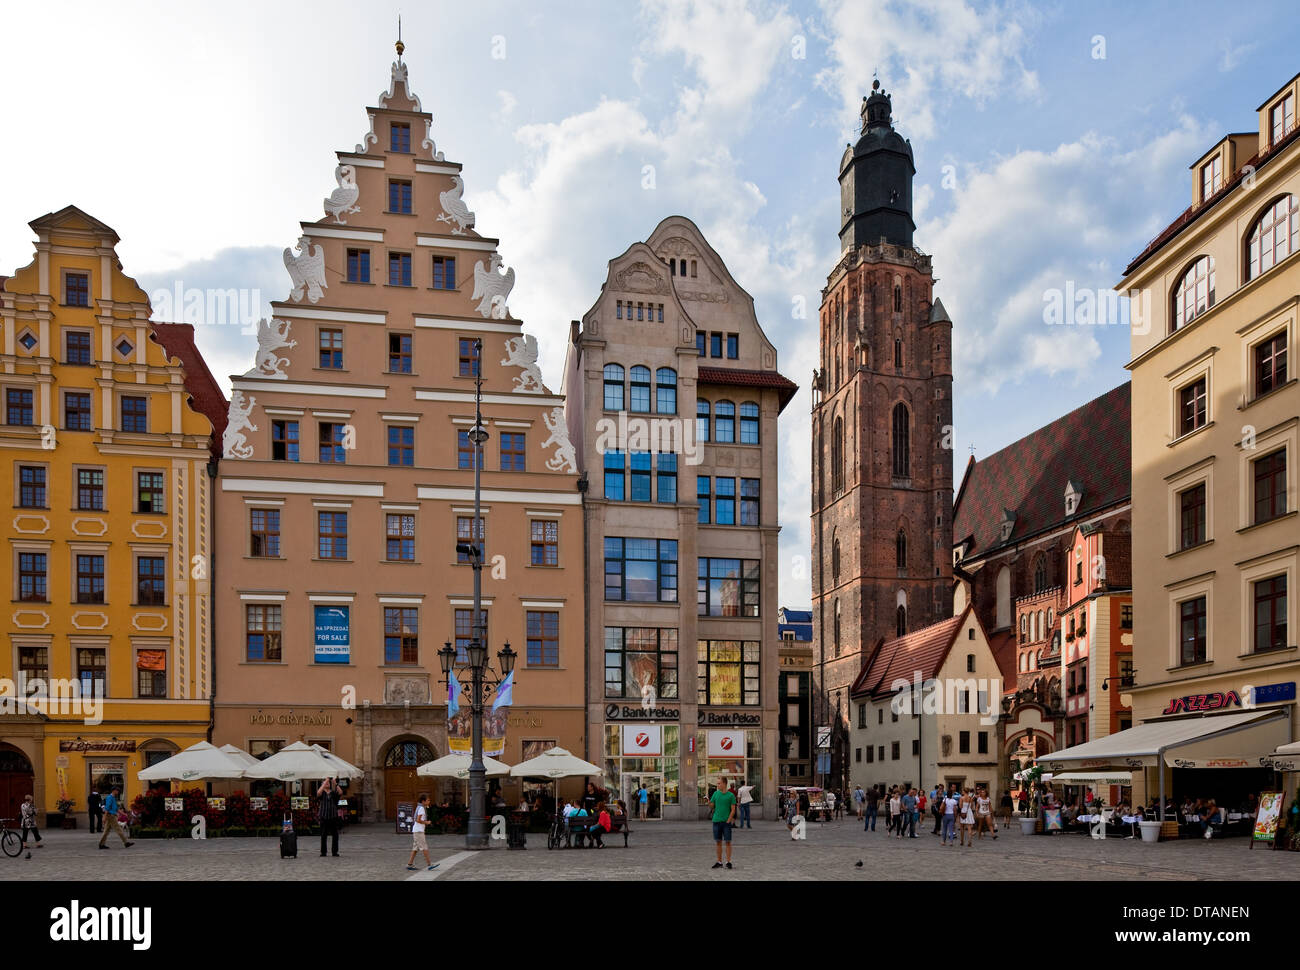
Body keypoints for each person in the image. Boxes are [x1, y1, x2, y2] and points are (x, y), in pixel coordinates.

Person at [405, 793, 439, 871]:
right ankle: (429, 864)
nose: (429, 801)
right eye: (428, 800)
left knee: (415, 848)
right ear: (423, 801)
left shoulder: (420, 807)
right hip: (419, 831)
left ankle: (409, 864)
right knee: (424, 847)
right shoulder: (421, 808)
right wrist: (427, 822)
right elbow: (418, 820)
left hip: (417, 830)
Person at [710, 778, 737, 869]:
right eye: (717, 783)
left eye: (719, 783)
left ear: (725, 784)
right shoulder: (715, 794)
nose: (717, 785)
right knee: (718, 842)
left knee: (728, 842)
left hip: (726, 822)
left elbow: (733, 809)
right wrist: (709, 802)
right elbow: (712, 806)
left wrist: (728, 820)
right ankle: (719, 861)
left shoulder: (731, 795)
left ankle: (728, 861)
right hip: (716, 821)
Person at [317, 777, 342, 857]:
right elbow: (318, 793)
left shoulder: (333, 793)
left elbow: (340, 792)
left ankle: (335, 852)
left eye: (328, 782)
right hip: (324, 816)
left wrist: (335, 783)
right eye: (324, 782)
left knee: (335, 835)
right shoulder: (322, 793)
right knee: (323, 835)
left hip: (333, 816)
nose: (327, 783)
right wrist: (326, 781)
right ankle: (323, 852)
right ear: (322, 784)